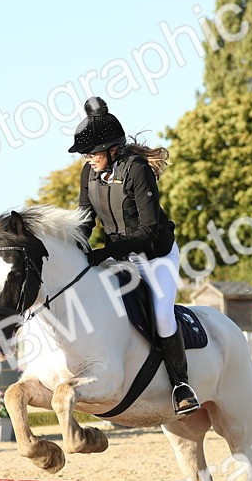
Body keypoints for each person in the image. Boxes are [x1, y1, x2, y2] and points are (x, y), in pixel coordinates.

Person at [69, 96, 199, 416]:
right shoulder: (90, 175)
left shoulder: (136, 170)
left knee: (162, 313)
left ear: (113, 149)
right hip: (120, 258)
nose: (88, 159)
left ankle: (181, 385)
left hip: (155, 256)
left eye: (93, 152)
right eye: (86, 154)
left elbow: (149, 229)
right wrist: (76, 248)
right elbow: (85, 218)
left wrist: (107, 252)